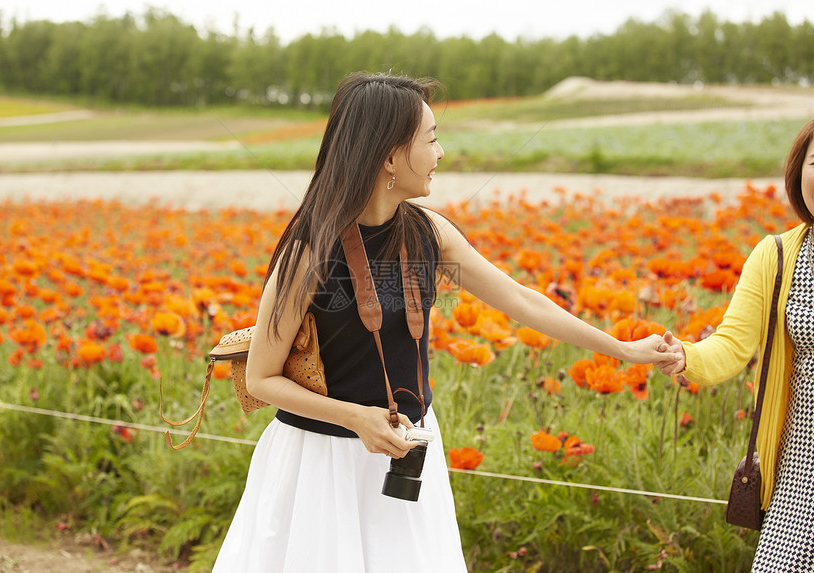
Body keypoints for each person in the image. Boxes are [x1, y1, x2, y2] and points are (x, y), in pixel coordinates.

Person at [212, 71, 679, 573]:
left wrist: (625, 350)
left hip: (405, 453)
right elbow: (262, 378)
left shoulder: (430, 233)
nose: (441, 154)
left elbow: (524, 302)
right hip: (320, 464)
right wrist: (355, 417)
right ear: (389, 157)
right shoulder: (310, 250)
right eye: (430, 139)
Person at [658, 117, 814, 571]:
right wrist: (686, 354)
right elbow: (731, 343)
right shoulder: (779, 255)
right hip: (800, 467)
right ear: (797, 172)